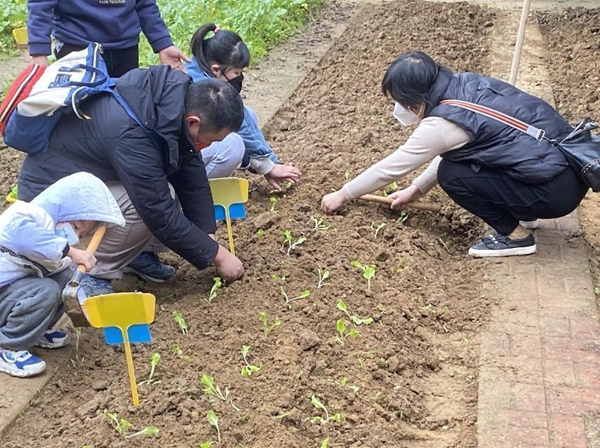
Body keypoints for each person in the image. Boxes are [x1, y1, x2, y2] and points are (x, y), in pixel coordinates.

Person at [321, 51, 589, 257]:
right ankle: (525, 210)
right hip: (567, 169)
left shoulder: (441, 124)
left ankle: (516, 237)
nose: (399, 107)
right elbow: (460, 147)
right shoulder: (467, 83)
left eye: (400, 101)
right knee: (467, 158)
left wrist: (343, 194)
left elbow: (392, 167)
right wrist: (415, 190)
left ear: (413, 98)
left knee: (453, 175)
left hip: (552, 192)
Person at [17, 67, 246, 297]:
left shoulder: (167, 103)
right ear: (193, 122)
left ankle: (135, 254)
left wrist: (206, 234)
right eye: (208, 141)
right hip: (49, 204)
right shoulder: (130, 131)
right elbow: (158, 213)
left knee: (162, 192)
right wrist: (219, 255)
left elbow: (188, 165)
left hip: (88, 180)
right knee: (144, 205)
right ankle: (94, 273)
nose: (205, 148)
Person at [0, 172, 125, 378]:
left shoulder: (52, 242)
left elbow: (61, 271)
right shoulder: (26, 216)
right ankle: (7, 345)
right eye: (76, 227)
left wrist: (83, 304)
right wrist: (73, 252)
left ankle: (32, 331)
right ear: (61, 209)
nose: (75, 236)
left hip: (9, 294)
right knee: (46, 290)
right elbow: (29, 238)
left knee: (63, 280)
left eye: (81, 234)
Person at [184, 23, 302, 191]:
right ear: (216, 69)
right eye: (237, 73)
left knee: (250, 115)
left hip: (189, 146)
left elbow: (244, 116)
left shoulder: (201, 70)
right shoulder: (200, 85)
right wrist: (266, 165)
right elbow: (240, 126)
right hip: (178, 154)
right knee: (233, 145)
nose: (240, 78)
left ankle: (247, 164)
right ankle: (187, 194)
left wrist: (267, 161)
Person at [27, 0, 189, 77]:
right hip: (77, 45)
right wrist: (39, 53)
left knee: (123, 106)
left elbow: (145, 4)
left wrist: (163, 44)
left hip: (125, 47)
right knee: (82, 110)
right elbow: (40, 6)